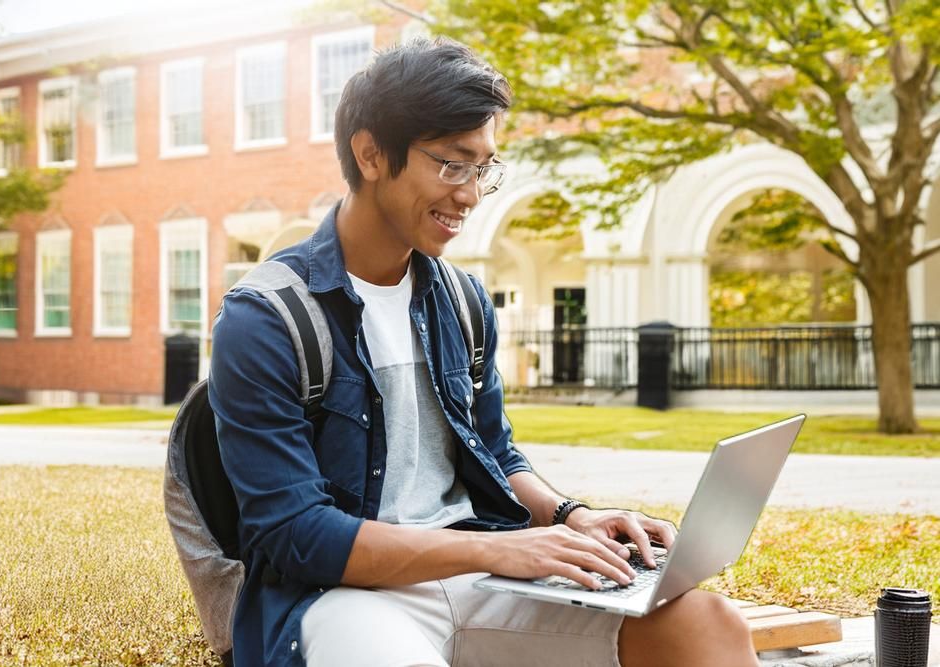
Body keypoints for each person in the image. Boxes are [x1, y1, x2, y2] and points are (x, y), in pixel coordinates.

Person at [208, 37, 759, 667]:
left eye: (483, 169)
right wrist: (499, 551)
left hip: (481, 581)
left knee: (704, 624)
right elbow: (295, 535)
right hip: (341, 598)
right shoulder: (266, 317)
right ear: (369, 154)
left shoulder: (462, 300)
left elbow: (494, 453)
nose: (469, 194)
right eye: (451, 165)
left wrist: (571, 517)